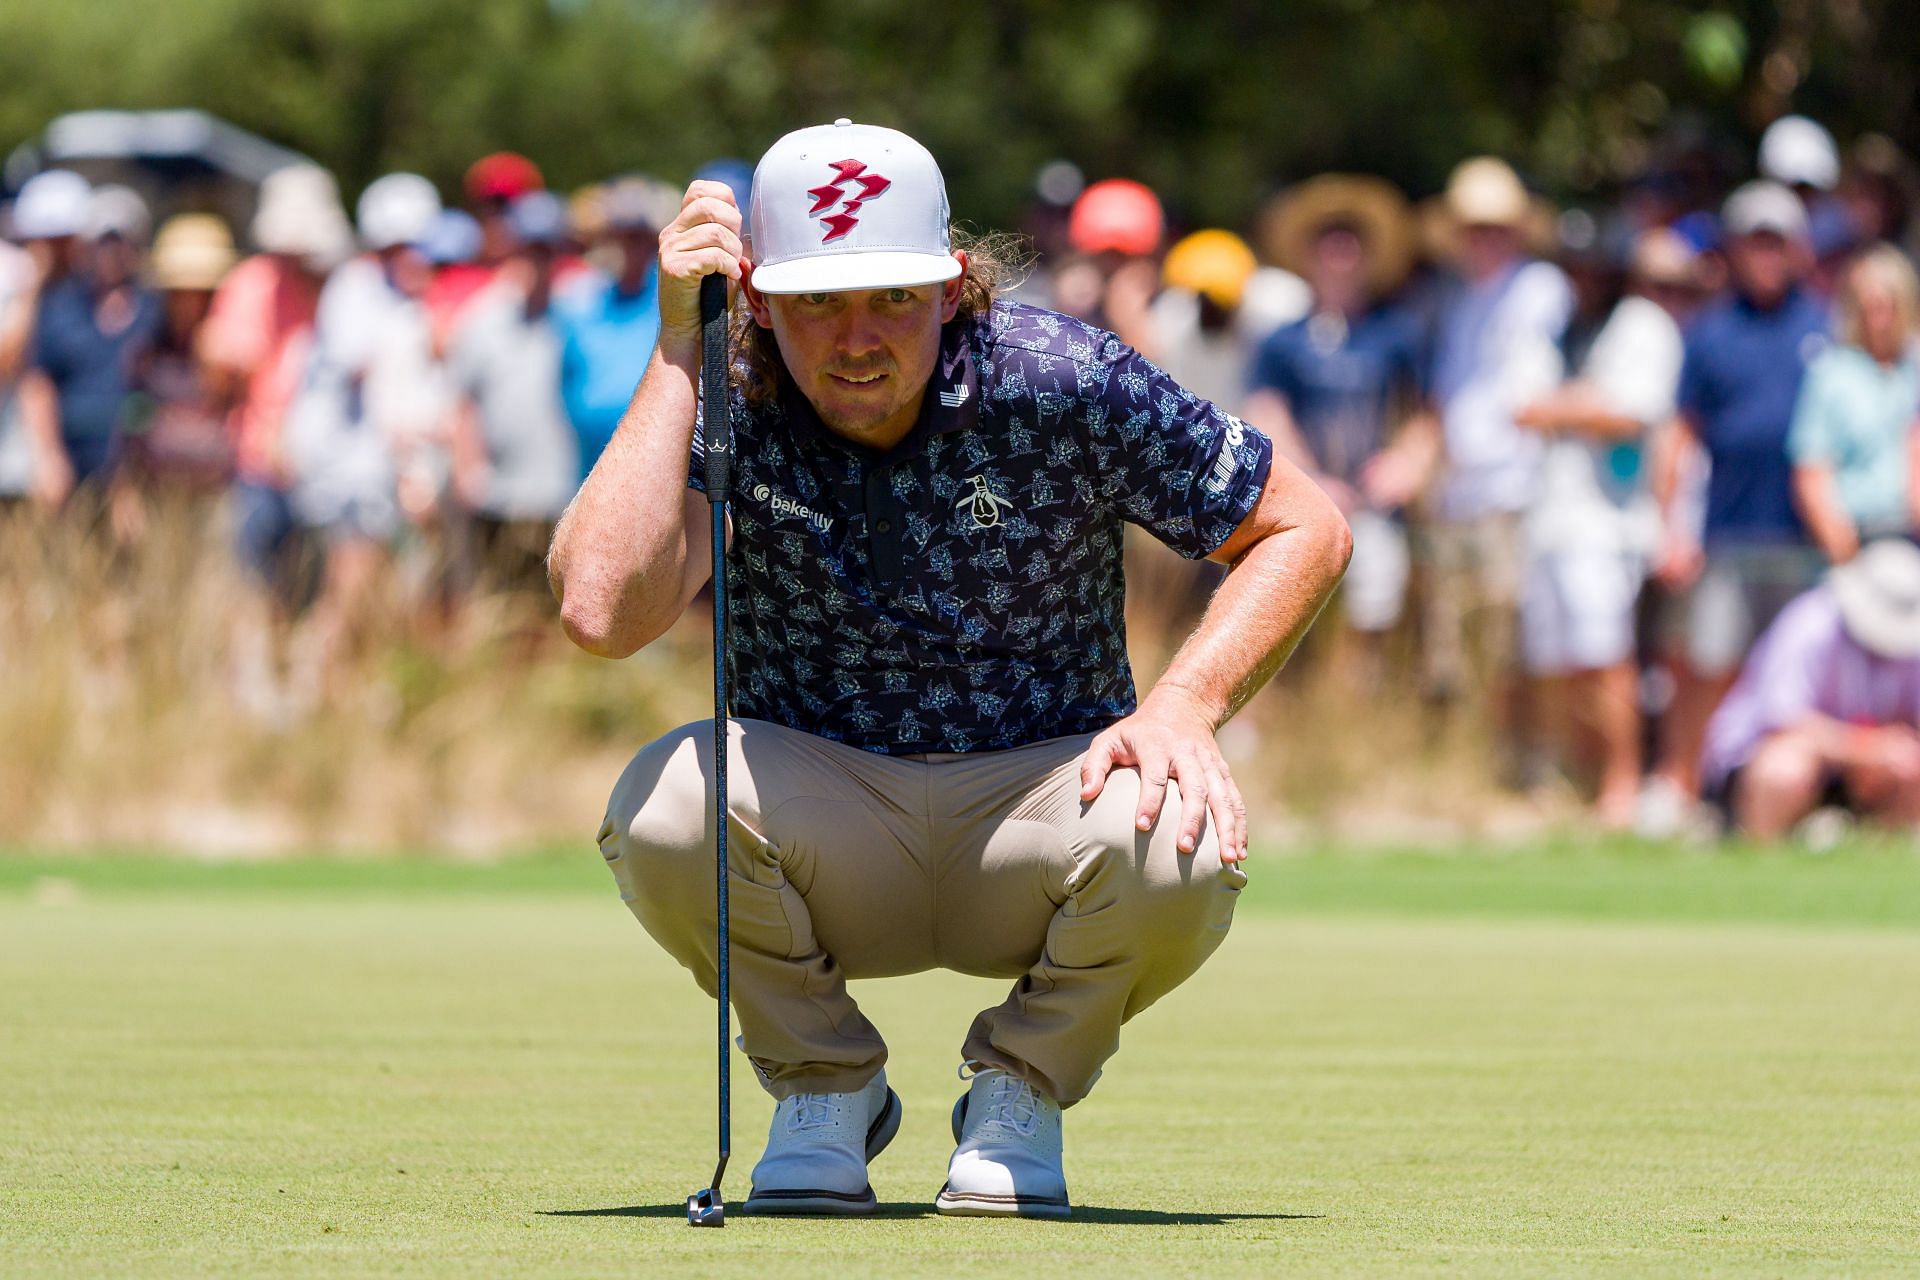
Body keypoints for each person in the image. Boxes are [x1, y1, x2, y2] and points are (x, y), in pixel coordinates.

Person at [548, 120, 1349, 1219]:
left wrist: (1186, 704)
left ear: (954, 284)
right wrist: (679, 350)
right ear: (762, 300)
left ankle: (1020, 1086)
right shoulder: (731, 390)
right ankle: (827, 1086)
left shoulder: (1061, 374)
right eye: (817, 302)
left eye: (891, 296)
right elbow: (600, 608)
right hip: (823, 816)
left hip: (1041, 810)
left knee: (1180, 829)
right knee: (664, 803)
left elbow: (1303, 524)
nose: (855, 336)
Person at [1647, 182, 1830, 808]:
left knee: (1800, 683)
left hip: (1803, 539)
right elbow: (1679, 432)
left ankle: (1789, 803)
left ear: (1796, 248)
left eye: (1776, 241)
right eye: (1755, 241)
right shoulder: (1711, 332)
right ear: (1735, 248)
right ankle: (1689, 791)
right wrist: (1670, 526)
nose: (1766, 255)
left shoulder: (1824, 323)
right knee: (1709, 666)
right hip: (1727, 532)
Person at [1514, 227, 1691, 825]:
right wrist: (1580, 404)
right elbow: (1522, 406)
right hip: (1553, 517)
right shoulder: (1562, 323)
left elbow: (1631, 412)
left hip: (1609, 523)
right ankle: (1582, 783)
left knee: (1606, 657)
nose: (1581, 278)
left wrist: (1564, 406)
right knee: (1558, 663)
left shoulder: (1642, 324)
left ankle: (1622, 786)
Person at [1402, 158, 1574, 743]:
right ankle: (1468, 755)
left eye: (1495, 227)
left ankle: (1517, 756)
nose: (1483, 239)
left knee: (1507, 630)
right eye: (1474, 228)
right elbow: (1450, 399)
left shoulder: (1537, 288)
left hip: (1513, 486)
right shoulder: (1460, 303)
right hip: (1460, 489)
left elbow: (1529, 395)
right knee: (1452, 636)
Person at [1244, 174, 1423, 667]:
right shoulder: (1282, 341)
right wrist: (1314, 483)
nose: (1339, 253)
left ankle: (1362, 720)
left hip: (1376, 504)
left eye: (1351, 242)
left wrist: (1403, 463)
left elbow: (1424, 415)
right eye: (1329, 241)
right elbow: (1268, 415)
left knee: (1377, 617)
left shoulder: (1397, 333)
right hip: (1305, 503)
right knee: (1293, 622)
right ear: (1309, 254)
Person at [199, 163, 351, 718]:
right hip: (259, 460)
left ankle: (307, 690)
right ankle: (254, 688)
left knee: (316, 588)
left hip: (326, 466)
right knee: (255, 581)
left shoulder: (339, 285)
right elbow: (224, 368)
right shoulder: (250, 285)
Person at [1700, 539, 1920, 838]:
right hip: (1760, 762)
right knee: (1786, 768)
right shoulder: (1810, 624)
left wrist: (1891, 750)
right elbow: (1783, 722)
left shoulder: (1910, 649)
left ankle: (1884, 855)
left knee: (1910, 763)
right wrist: (1867, 749)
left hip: (1855, 770)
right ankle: (1760, 853)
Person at [447, 190, 580, 592]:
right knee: (499, 604)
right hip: (499, 495)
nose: (536, 263)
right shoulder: (482, 320)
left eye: (545, 251)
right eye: (528, 250)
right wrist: (467, 469)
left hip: (563, 496)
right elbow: (463, 402)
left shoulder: (577, 315)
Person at [17, 183, 164, 517]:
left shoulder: (155, 310)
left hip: (138, 478)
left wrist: (130, 478)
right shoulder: (60, 308)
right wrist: (49, 458)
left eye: (120, 241)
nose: (111, 252)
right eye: (103, 242)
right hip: (71, 467)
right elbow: (38, 384)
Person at [1788, 244, 1920, 564]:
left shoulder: (1914, 369)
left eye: (1887, 307)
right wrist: (1838, 542)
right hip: (1857, 540)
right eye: (1869, 308)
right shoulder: (1832, 374)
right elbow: (1811, 465)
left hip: (1910, 540)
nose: (1879, 321)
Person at [551, 177, 662, 479]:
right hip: (588, 465)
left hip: (653, 467)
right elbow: (565, 377)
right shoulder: (580, 302)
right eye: (620, 236)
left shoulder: (669, 303)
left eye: (637, 237)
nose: (628, 248)